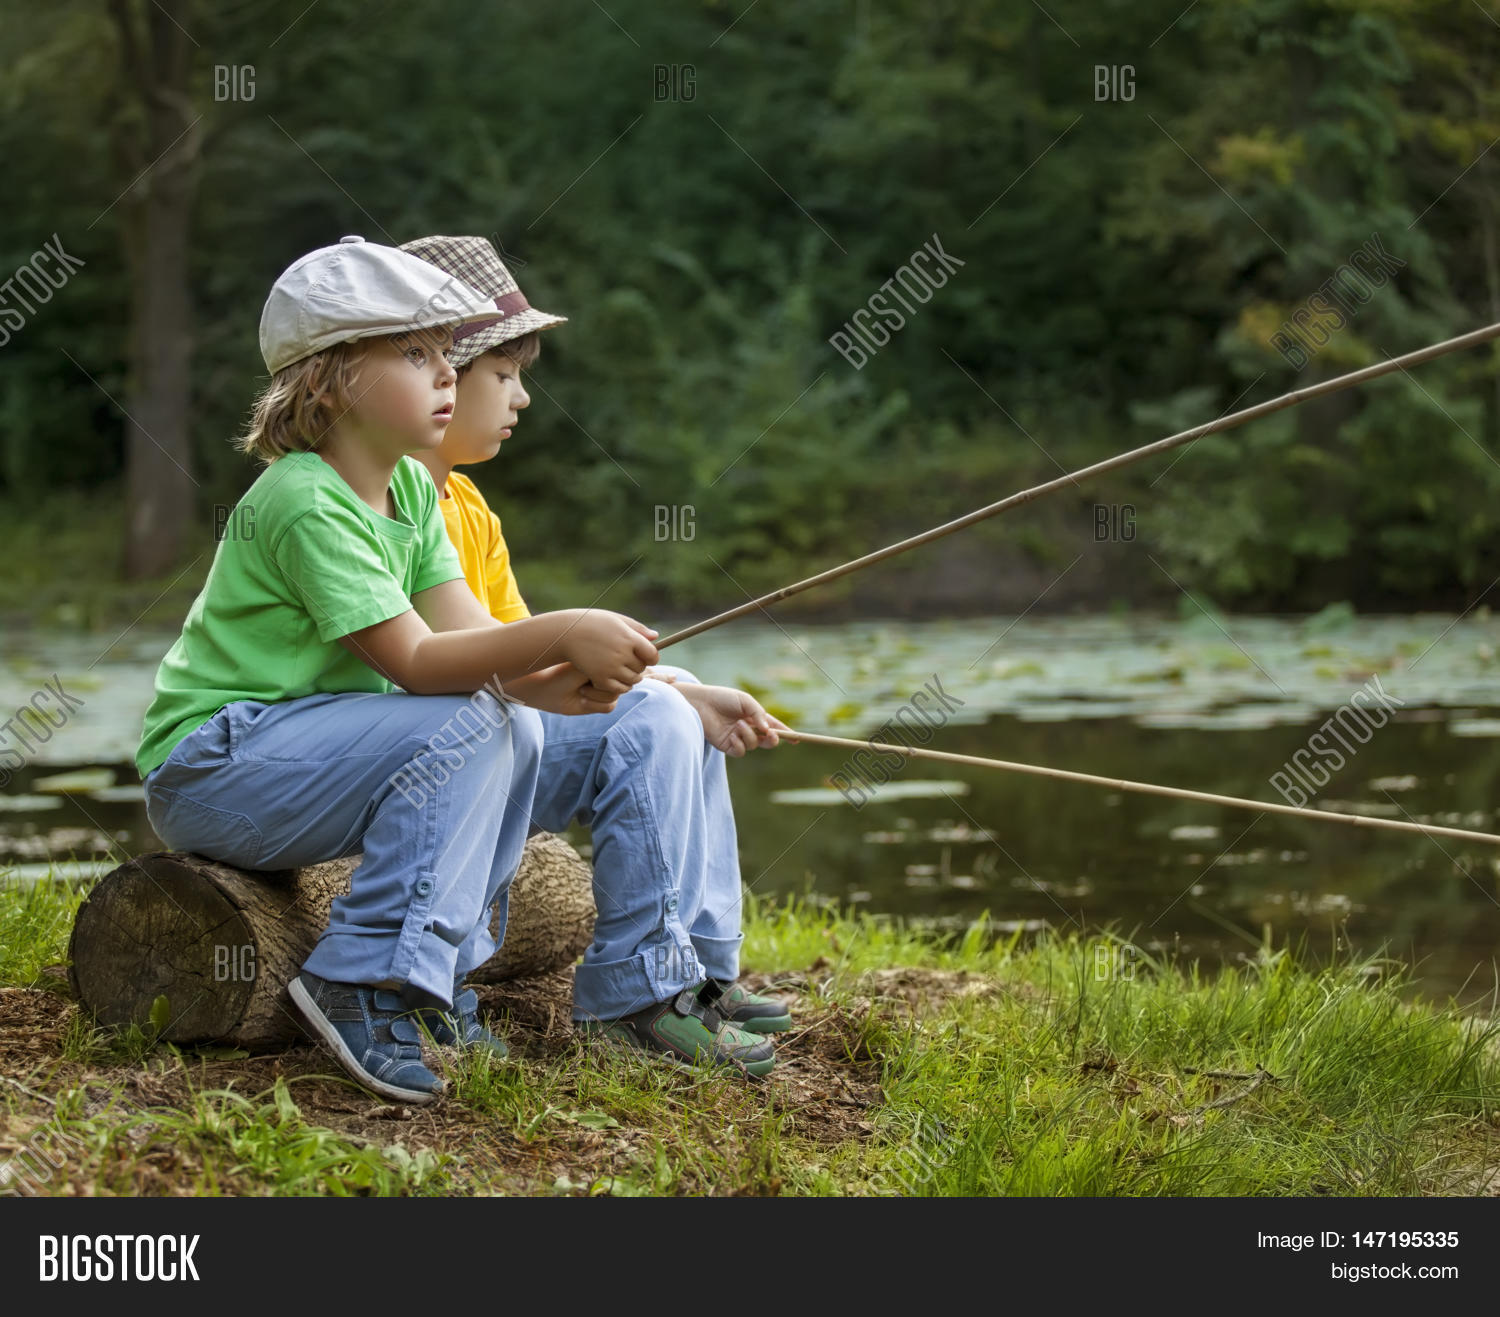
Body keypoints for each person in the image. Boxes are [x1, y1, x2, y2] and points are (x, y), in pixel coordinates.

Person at [136, 235, 659, 1103]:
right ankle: (359, 978)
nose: (449, 371)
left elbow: (466, 646)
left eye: (447, 352)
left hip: (301, 758)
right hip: (213, 767)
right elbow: (418, 665)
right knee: (471, 721)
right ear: (332, 378)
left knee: (512, 720)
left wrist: (549, 685)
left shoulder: (414, 494)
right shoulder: (303, 498)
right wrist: (565, 627)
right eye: (416, 353)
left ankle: (437, 972)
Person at [397, 235, 794, 1076]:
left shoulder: (467, 506)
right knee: (654, 706)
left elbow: (527, 667)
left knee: (674, 692)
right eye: (502, 374)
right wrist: (651, 694)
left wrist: (682, 690)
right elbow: (444, 668)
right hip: (439, 763)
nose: (523, 398)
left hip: (497, 741)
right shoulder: (382, 498)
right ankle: (633, 999)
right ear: (435, 373)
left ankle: (701, 971)